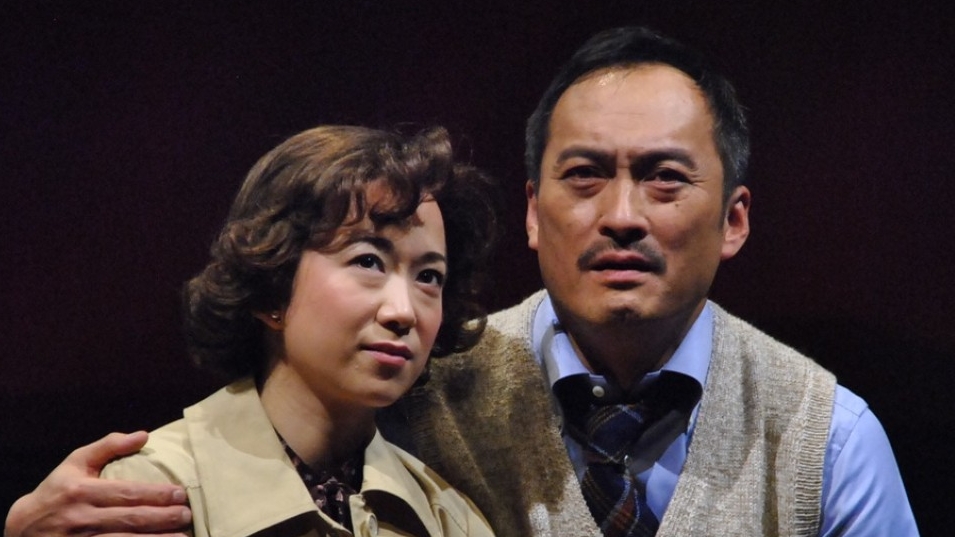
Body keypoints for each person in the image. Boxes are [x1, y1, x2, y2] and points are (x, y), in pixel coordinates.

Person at [5, 26, 918, 537]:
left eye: (665, 178)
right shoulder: (424, 389)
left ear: (735, 218)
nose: (622, 214)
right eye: (584, 175)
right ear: (533, 213)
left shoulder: (827, 438)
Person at [7, 124, 499, 537]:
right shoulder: (143, 496)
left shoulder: (449, 520)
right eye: (368, 261)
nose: (404, 310)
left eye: (429, 276)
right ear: (271, 290)